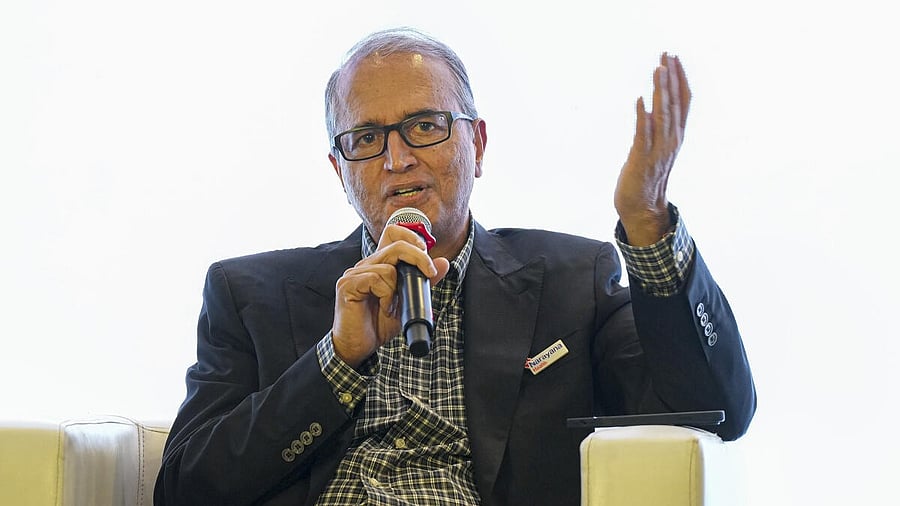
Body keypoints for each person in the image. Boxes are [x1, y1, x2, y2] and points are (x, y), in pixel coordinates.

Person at [154, 27, 756, 505]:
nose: (396, 159)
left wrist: (648, 223)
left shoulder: (573, 282)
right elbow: (183, 489)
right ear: (340, 169)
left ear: (478, 144)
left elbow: (713, 409)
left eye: (425, 126)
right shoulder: (248, 293)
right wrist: (335, 360)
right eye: (365, 138)